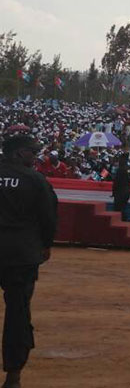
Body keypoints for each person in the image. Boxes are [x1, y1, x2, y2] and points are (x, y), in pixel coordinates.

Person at [0, 132, 58, 388]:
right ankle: (13, 375)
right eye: (32, 153)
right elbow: (48, 217)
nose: (35, 157)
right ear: (18, 153)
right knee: (18, 314)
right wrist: (45, 245)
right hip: (20, 255)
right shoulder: (35, 180)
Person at [112, 154, 130, 221]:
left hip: (120, 191)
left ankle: (120, 221)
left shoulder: (120, 170)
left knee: (118, 208)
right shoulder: (128, 168)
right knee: (123, 207)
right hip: (127, 190)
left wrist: (113, 192)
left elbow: (116, 182)